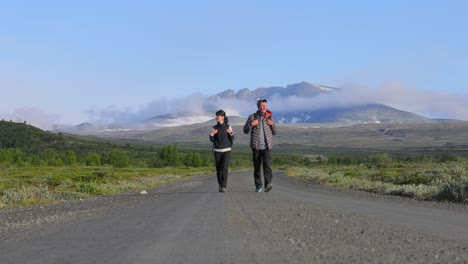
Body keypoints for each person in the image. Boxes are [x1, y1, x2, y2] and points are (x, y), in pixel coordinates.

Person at [243, 98, 277, 192]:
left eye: (265, 105)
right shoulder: (252, 117)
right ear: (258, 106)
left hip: (267, 146)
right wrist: (251, 124)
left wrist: (272, 124)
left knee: (267, 166)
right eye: (261, 105)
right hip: (256, 147)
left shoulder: (269, 117)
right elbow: (245, 130)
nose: (263, 107)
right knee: (257, 167)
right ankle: (258, 186)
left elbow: (274, 132)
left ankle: (268, 184)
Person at [209, 110, 234, 193]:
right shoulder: (214, 128)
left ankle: (224, 186)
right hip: (217, 150)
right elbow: (212, 140)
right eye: (216, 116)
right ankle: (220, 185)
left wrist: (231, 133)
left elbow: (232, 138)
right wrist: (211, 134)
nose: (216, 117)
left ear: (223, 117)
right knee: (218, 169)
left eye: (218, 116)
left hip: (226, 150)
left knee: (224, 168)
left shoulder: (228, 127)